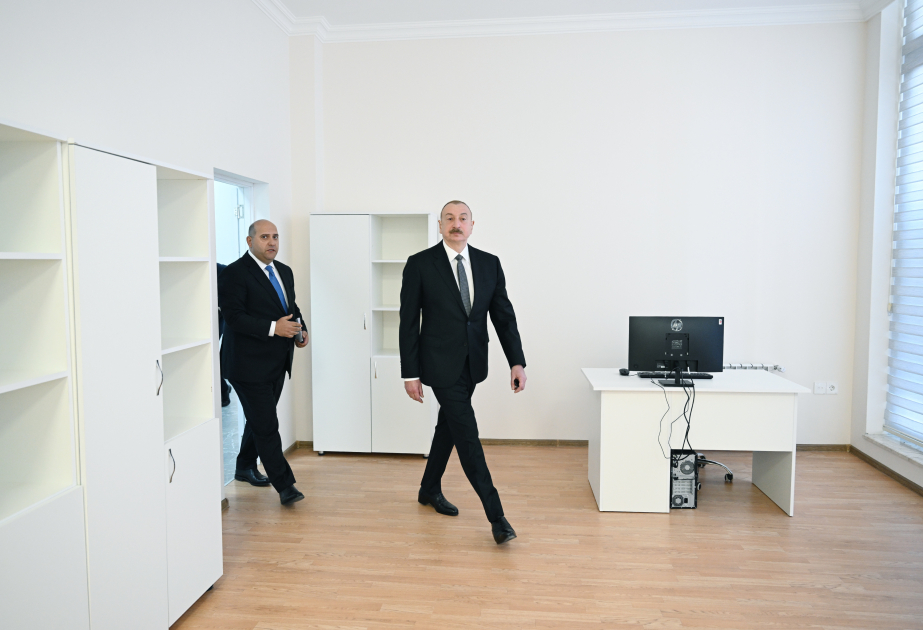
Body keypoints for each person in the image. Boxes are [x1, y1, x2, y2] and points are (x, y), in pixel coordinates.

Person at [399, 200, 527, 544]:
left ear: (472, 225)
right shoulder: (420, 264)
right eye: (450, 218)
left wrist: (516, 361)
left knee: (449, 427)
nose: (456, 224)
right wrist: (410, 373)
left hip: (473, 364)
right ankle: (497, 518)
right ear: (440, 225)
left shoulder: (489, 263)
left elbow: (503, 317)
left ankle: (428, 488)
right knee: (467, 436)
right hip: (438, 364)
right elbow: (408, 322)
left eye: (463, 218)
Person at [218, 219, 308, 506]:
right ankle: (285, 486)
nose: (272, 242)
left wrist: (301, 330)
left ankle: (244, 466)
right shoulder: (234, 273)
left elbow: (290, 307)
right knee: (267, 424)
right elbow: (234, 317)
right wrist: (273, 328)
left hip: (277, 362)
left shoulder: (284, 271)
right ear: (250, 241)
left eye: (275, 237)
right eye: (265, 237)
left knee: (259, 419)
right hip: (246, 365)